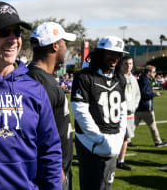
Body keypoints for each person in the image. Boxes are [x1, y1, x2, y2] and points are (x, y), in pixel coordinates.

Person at [0, 2, 62, 190]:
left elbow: (49, 151)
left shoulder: (35, 90)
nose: (13, 39)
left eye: (17, 33)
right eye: (3, 32)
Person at [71, 36, 128, 190]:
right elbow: (80, 112)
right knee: (91, 186)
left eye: (118, 54)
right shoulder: (84, 77)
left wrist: (119, 136)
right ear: (100, 53)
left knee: (106, 186)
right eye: (110, 53)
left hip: (113, 140)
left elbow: (123, 110)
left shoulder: (120, 79)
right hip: (90, 142)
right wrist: (100, 140)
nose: (115, 58)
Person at [28, 22, 76, 190]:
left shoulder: (44, 77)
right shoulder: (38, 81)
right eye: (64, 43)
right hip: (53, 173)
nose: (66, 48)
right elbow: (35, 134)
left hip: (58, 168)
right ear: (55, 46)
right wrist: (57, 172)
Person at [116, 55, 140, 170]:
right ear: (121, 64)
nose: (128, 66)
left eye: (130, 64)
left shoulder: (133, 79)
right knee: (116, 136)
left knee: (126, 137)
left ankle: (121, 161)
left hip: (130, 113)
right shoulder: (117, 77)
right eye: (126, 63)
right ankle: (110, 159)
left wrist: (134, 107)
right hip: (118, 113)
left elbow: (137, 95)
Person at [135, 65, 167, 147]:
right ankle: (158, 142)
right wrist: (155, 94)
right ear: (149, 72)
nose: (155, 73)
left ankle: (126, 141)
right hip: (146, 108)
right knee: (153, 126)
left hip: (139, 107)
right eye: (154, 72)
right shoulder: (146, 81)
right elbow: (145, 94)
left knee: (132, 126)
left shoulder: (142, 78)